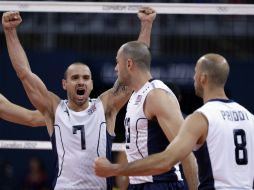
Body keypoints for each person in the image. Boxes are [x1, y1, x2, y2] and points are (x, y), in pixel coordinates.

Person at [2, 7, 156, 190]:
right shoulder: (54, 109)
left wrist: (146, 24)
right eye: (75, 78)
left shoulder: (105, 106)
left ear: (91, 84)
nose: (80, 82)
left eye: (85, 78)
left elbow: (136, 68)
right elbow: (24, 73)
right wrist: (10, 31)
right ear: (64, 84)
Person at [95, 53, 254, 189]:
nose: (193, 78)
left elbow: (166, 160)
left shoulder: (201, 117)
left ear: (203, 78)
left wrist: (114, 168)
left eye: (195, 73)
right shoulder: (249, 117)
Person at [96, 41, 198, 190]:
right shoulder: (135, 95)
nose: (116, 68)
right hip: (138, 184)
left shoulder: (157, 95)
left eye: (118, 62)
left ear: (129, 64)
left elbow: (187, 154)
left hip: (161, 184)